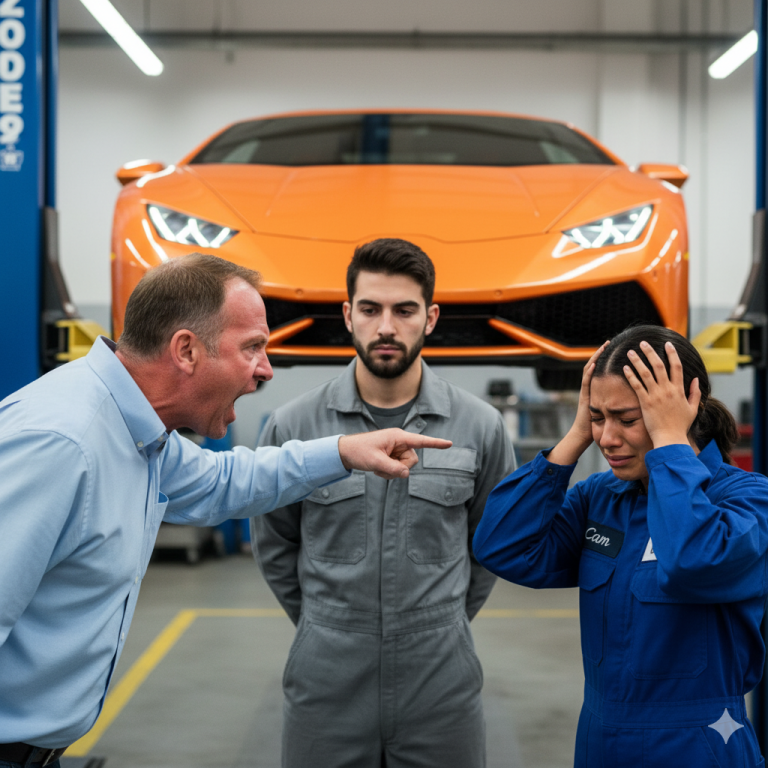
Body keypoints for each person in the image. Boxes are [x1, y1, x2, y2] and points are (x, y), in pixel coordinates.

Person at [0, 253, 451, 768]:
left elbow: (219, 482)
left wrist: (344, 451)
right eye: (252, 347)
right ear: (187, 350)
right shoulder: (62, 443)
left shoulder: (134, 430)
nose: (265, 369)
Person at [252, 238, 515, 768]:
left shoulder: (479, 427)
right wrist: (326, 626)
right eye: (370, 309)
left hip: (440, 679)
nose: (387, 327)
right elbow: (274, 543)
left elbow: (490, 545)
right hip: (326, 678)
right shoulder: (294, 426)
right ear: (348, 315)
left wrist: (441, 623)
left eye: (405, 310)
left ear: (430, 318)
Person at [473, 324, 768, 768]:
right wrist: (576, 435)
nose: (607, 439)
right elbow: (500, 546)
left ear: (683, 409)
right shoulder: (599, 498)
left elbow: (694, 560)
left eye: (628, 419)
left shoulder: (746, 500)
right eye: (598, 417)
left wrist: (670, 445)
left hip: (699, 745)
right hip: (600, 741)